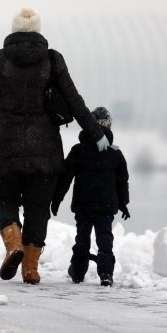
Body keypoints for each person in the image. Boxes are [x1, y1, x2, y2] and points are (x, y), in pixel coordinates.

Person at [0, 7, 110, 284]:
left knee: (4, 200)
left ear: (14, 30)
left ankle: (13, 244)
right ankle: (30, 268)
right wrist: (96, 133)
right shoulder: (53, 61)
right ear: (38, 31)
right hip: (45, 150)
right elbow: (74, 100)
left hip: (4, 149)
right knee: (38, 207)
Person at [51, 107, 130, 287]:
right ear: (109, 126)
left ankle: (78, 272)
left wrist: (56, 199)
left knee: (82, 239)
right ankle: (106, 274)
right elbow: (122, 181)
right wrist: (123, 203)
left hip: (83, 205)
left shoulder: (78, 150)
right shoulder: (115, 154)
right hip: (106, 207)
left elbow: (65, 178)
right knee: (105, 240)